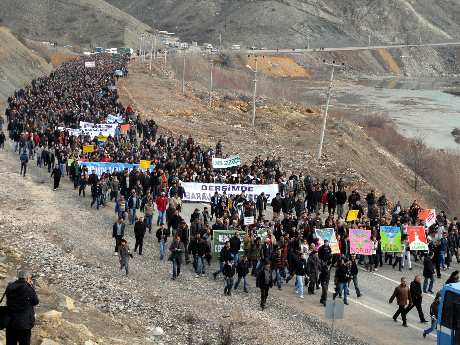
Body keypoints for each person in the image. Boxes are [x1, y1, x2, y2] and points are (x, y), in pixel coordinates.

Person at [4, 271, 39, 345]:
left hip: (10, 323)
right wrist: (32, 287)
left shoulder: (10, 286)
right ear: (27, 278)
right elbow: (35, 301)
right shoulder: (28, 288)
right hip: (24, 325)